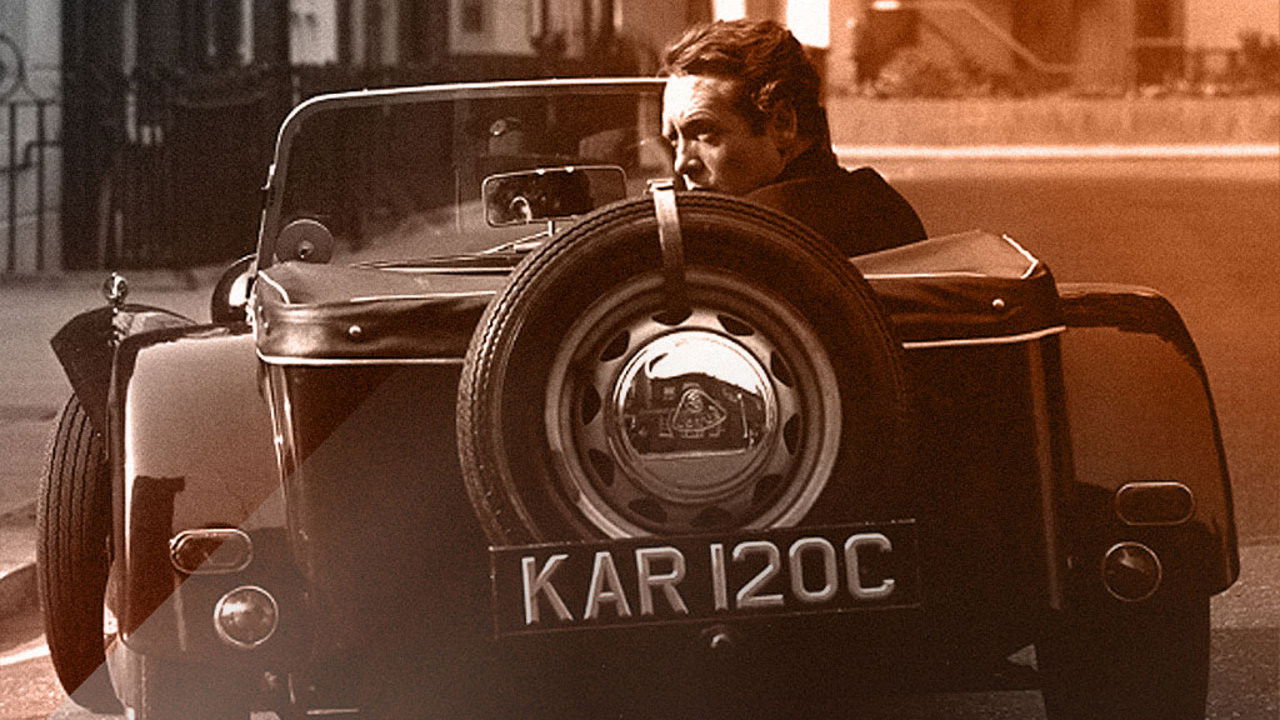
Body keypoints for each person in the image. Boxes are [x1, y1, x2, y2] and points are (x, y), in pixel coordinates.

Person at [660, 19, 927, 256]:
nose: (681, 164)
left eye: (704, 133)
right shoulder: (882, 205)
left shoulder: (732, 242)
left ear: (782, 124)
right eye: (674, 140)